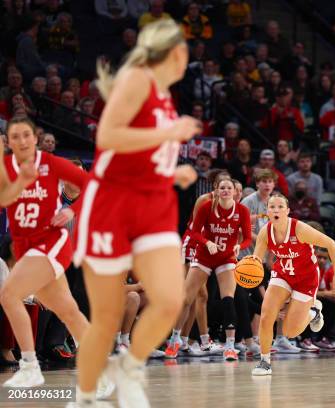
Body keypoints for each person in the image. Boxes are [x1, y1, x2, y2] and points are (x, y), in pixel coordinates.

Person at [72, 20, 200, 408]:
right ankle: (85, 396)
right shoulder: (137, 79)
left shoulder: (163, 95)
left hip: (153, 203)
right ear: (175, 52)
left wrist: (170, 170)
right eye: (185, 52)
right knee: (108, 317)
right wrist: (168, 135)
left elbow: (141, 152)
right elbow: (108, 137)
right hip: (113, 204)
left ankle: (130, 367)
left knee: (169, 298)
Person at [0, 118, 113, 397]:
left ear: (35, 139)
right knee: (68, 311)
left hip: (51, 242)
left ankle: (29, 365)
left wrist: (72, 211)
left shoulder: (51, 163)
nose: (22, 141)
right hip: (28, 247)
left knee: (9, 295)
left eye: (27, 135)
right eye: (15, 136)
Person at [249, 194, 335, 375]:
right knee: (266, 315)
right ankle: (264, 362)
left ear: (287, 211)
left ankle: (314, 311)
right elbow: (256, 261)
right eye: (272, 207)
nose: (276, 210)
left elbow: (331, 244)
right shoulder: (265, 233)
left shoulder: (300, 229)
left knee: (290, 332)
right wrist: (247, 268)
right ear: (267, 211)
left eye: (280, 207)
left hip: (306, 278)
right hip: (283, 274)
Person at [166, 177, 251, 361]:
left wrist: (239, 246)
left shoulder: (242, 210)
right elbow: (194, 232)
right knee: (187, 298)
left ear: (236, 192)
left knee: (228, 298)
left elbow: (247, 238)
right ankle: (174, 340)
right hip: (204, 256)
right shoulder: (206, 206)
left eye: (230, 188)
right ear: (217, 190)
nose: (226, 190)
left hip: (226, 257)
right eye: (223, 188)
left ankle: (229, 346)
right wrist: (207, 242)